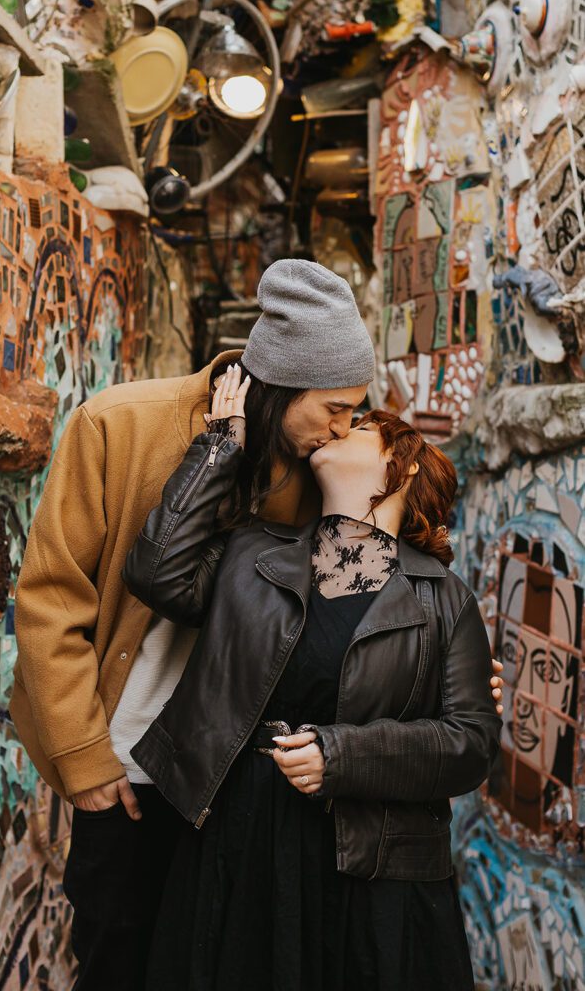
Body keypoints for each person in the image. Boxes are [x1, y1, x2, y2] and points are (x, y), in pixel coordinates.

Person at [11, 259, 503, 989]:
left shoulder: (317, 470)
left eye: (353, 412)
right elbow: (54, 595)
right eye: (334, 406)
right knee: (117, 960)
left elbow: (351, 608)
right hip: (131, 771)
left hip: (241, 794)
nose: (344, 426)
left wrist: (448, 672)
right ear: (278, 382)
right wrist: (83, 760)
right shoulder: (120, 425)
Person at [123, 367, 502, 991]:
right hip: (240, 843)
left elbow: (471, 744)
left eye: (362, 426)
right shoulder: (251, 554)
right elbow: (157, 573)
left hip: (371, 867)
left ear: (400, 471)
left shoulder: (444, 599)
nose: (341, 428)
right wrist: (220, 445)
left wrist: (341, 755)